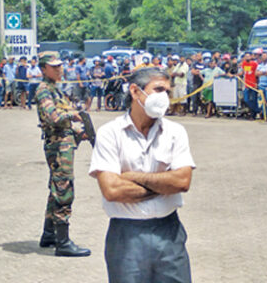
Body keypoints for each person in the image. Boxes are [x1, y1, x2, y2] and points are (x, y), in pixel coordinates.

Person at [89, 68, 195, 282]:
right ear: (135, 92)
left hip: (169, 232)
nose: (164, 97)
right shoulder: (110, 133)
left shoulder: (175, 132)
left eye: (167, 91)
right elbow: (112, 190)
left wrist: (132, 177)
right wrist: (163, 185)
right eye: (158, 89)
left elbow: (182, 181)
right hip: (127, 235)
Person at [34, 51, 93, 257]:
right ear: (43, 69)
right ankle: (63, 242)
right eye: (54, 66)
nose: (59, 69)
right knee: (64, 188)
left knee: (56, 188)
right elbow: (53, 118)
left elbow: (63, 122)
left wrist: (80, 131)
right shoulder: (44, 90)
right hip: (58, 147)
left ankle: (49, 234)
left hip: (64, 143)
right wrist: (73, 114)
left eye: (60, 65)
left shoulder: (55, 90)